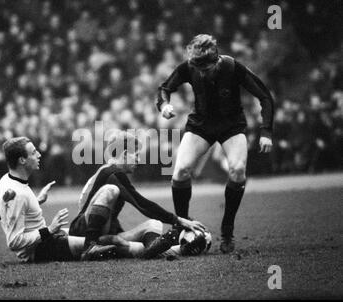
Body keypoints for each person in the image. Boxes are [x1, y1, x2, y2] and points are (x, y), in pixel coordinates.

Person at [156, 34, 274, 253]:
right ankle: (181, 225)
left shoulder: (232, 67)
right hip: (200, 124)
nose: (200, 73)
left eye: (205, 69)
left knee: (238, 171)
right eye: (197, 69)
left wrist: (266, 131)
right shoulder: (189, 67)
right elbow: (164, 89)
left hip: (231, 125)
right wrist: (163, 106)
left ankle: (227, 231)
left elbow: (265, 96)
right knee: (180, 171)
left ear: (216, 60)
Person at [69, 131, 205, 261]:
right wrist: (179, 220)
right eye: (136, 155)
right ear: (126, 153)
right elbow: (141, 204)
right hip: (85, 233)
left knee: (153, 224)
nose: (139, 160)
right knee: (111, 190)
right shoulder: (112, 173)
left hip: (101, 232)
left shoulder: (107, 171)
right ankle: (89, 246)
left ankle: (178, 249)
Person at [0, 136, 122, 263]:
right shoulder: (17, 194)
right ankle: (139, 246)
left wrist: (36, 200)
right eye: (34, 152)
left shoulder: (6, 180)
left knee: (96, 237)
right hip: (39, 249)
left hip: (44, 241)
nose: (39, 155)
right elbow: (13, 241)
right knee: (106, 242)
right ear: (22, 160)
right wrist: (49, 230)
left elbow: (11, 210)